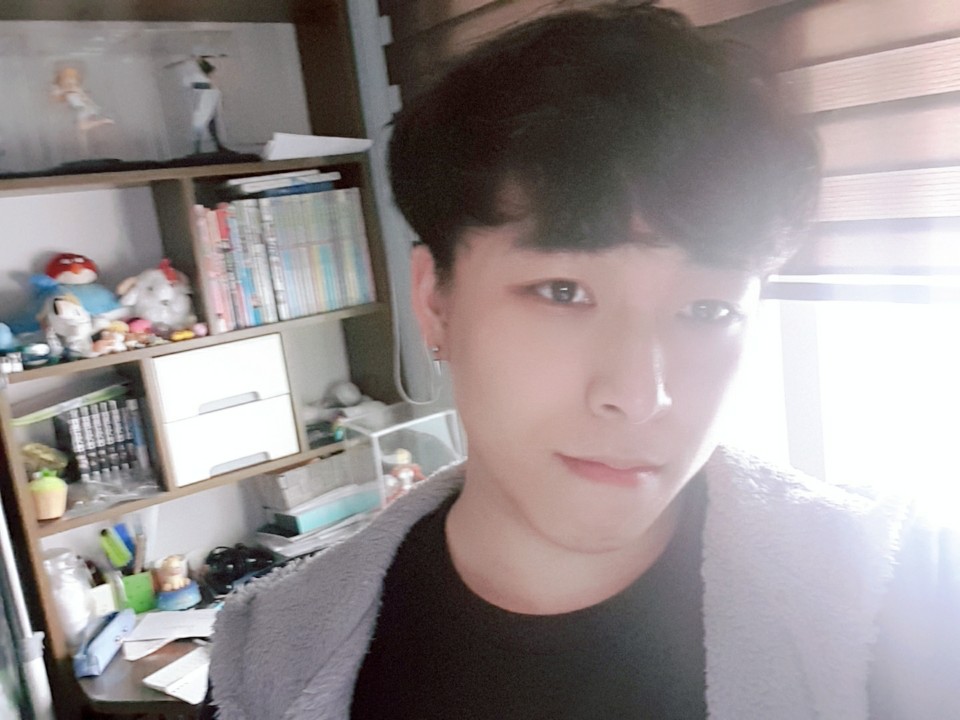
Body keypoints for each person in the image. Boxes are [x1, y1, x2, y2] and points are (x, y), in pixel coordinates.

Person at [208, 4, 960, 719]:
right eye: (563, 292)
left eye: (708, 310)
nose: (639, 394)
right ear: (435, 300)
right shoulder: (272, 655)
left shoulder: (896, 595)